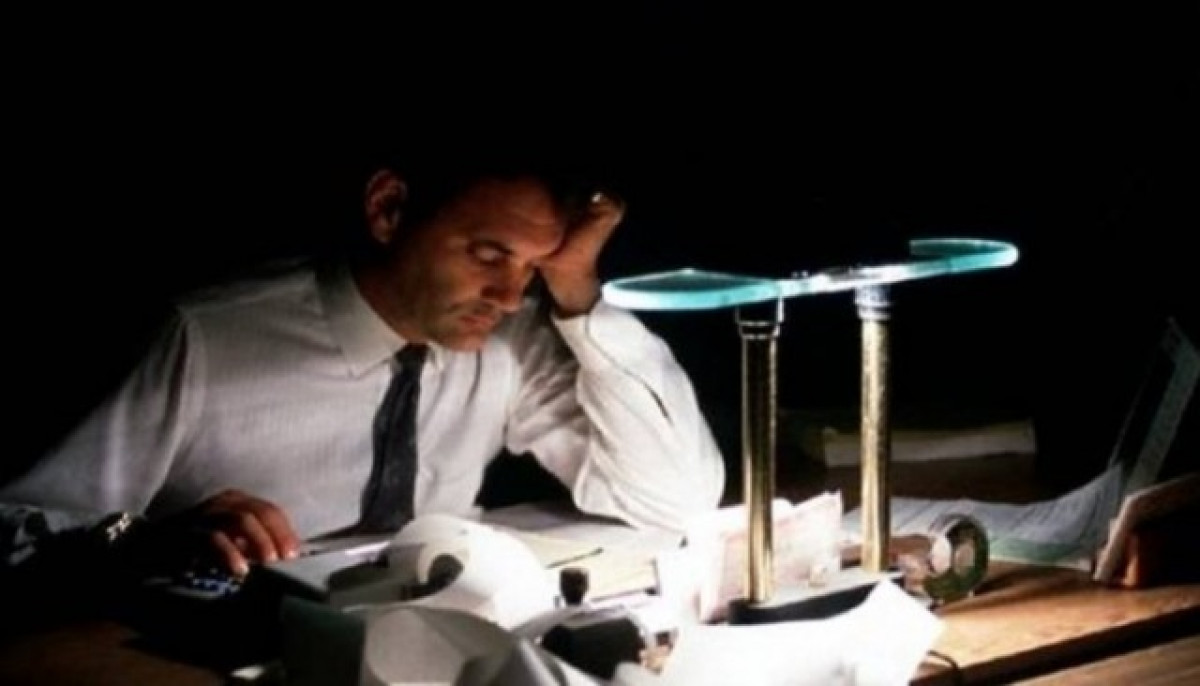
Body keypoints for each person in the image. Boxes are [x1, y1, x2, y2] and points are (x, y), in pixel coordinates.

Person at [0, 140, 726, 585]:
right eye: (487, 255)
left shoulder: (511, 337)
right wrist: (141, 541)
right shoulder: (206, 337)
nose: (510, 295)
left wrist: (578, 294)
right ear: (388, 209)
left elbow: (673, 500)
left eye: (533, 266)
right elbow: (18, 528)